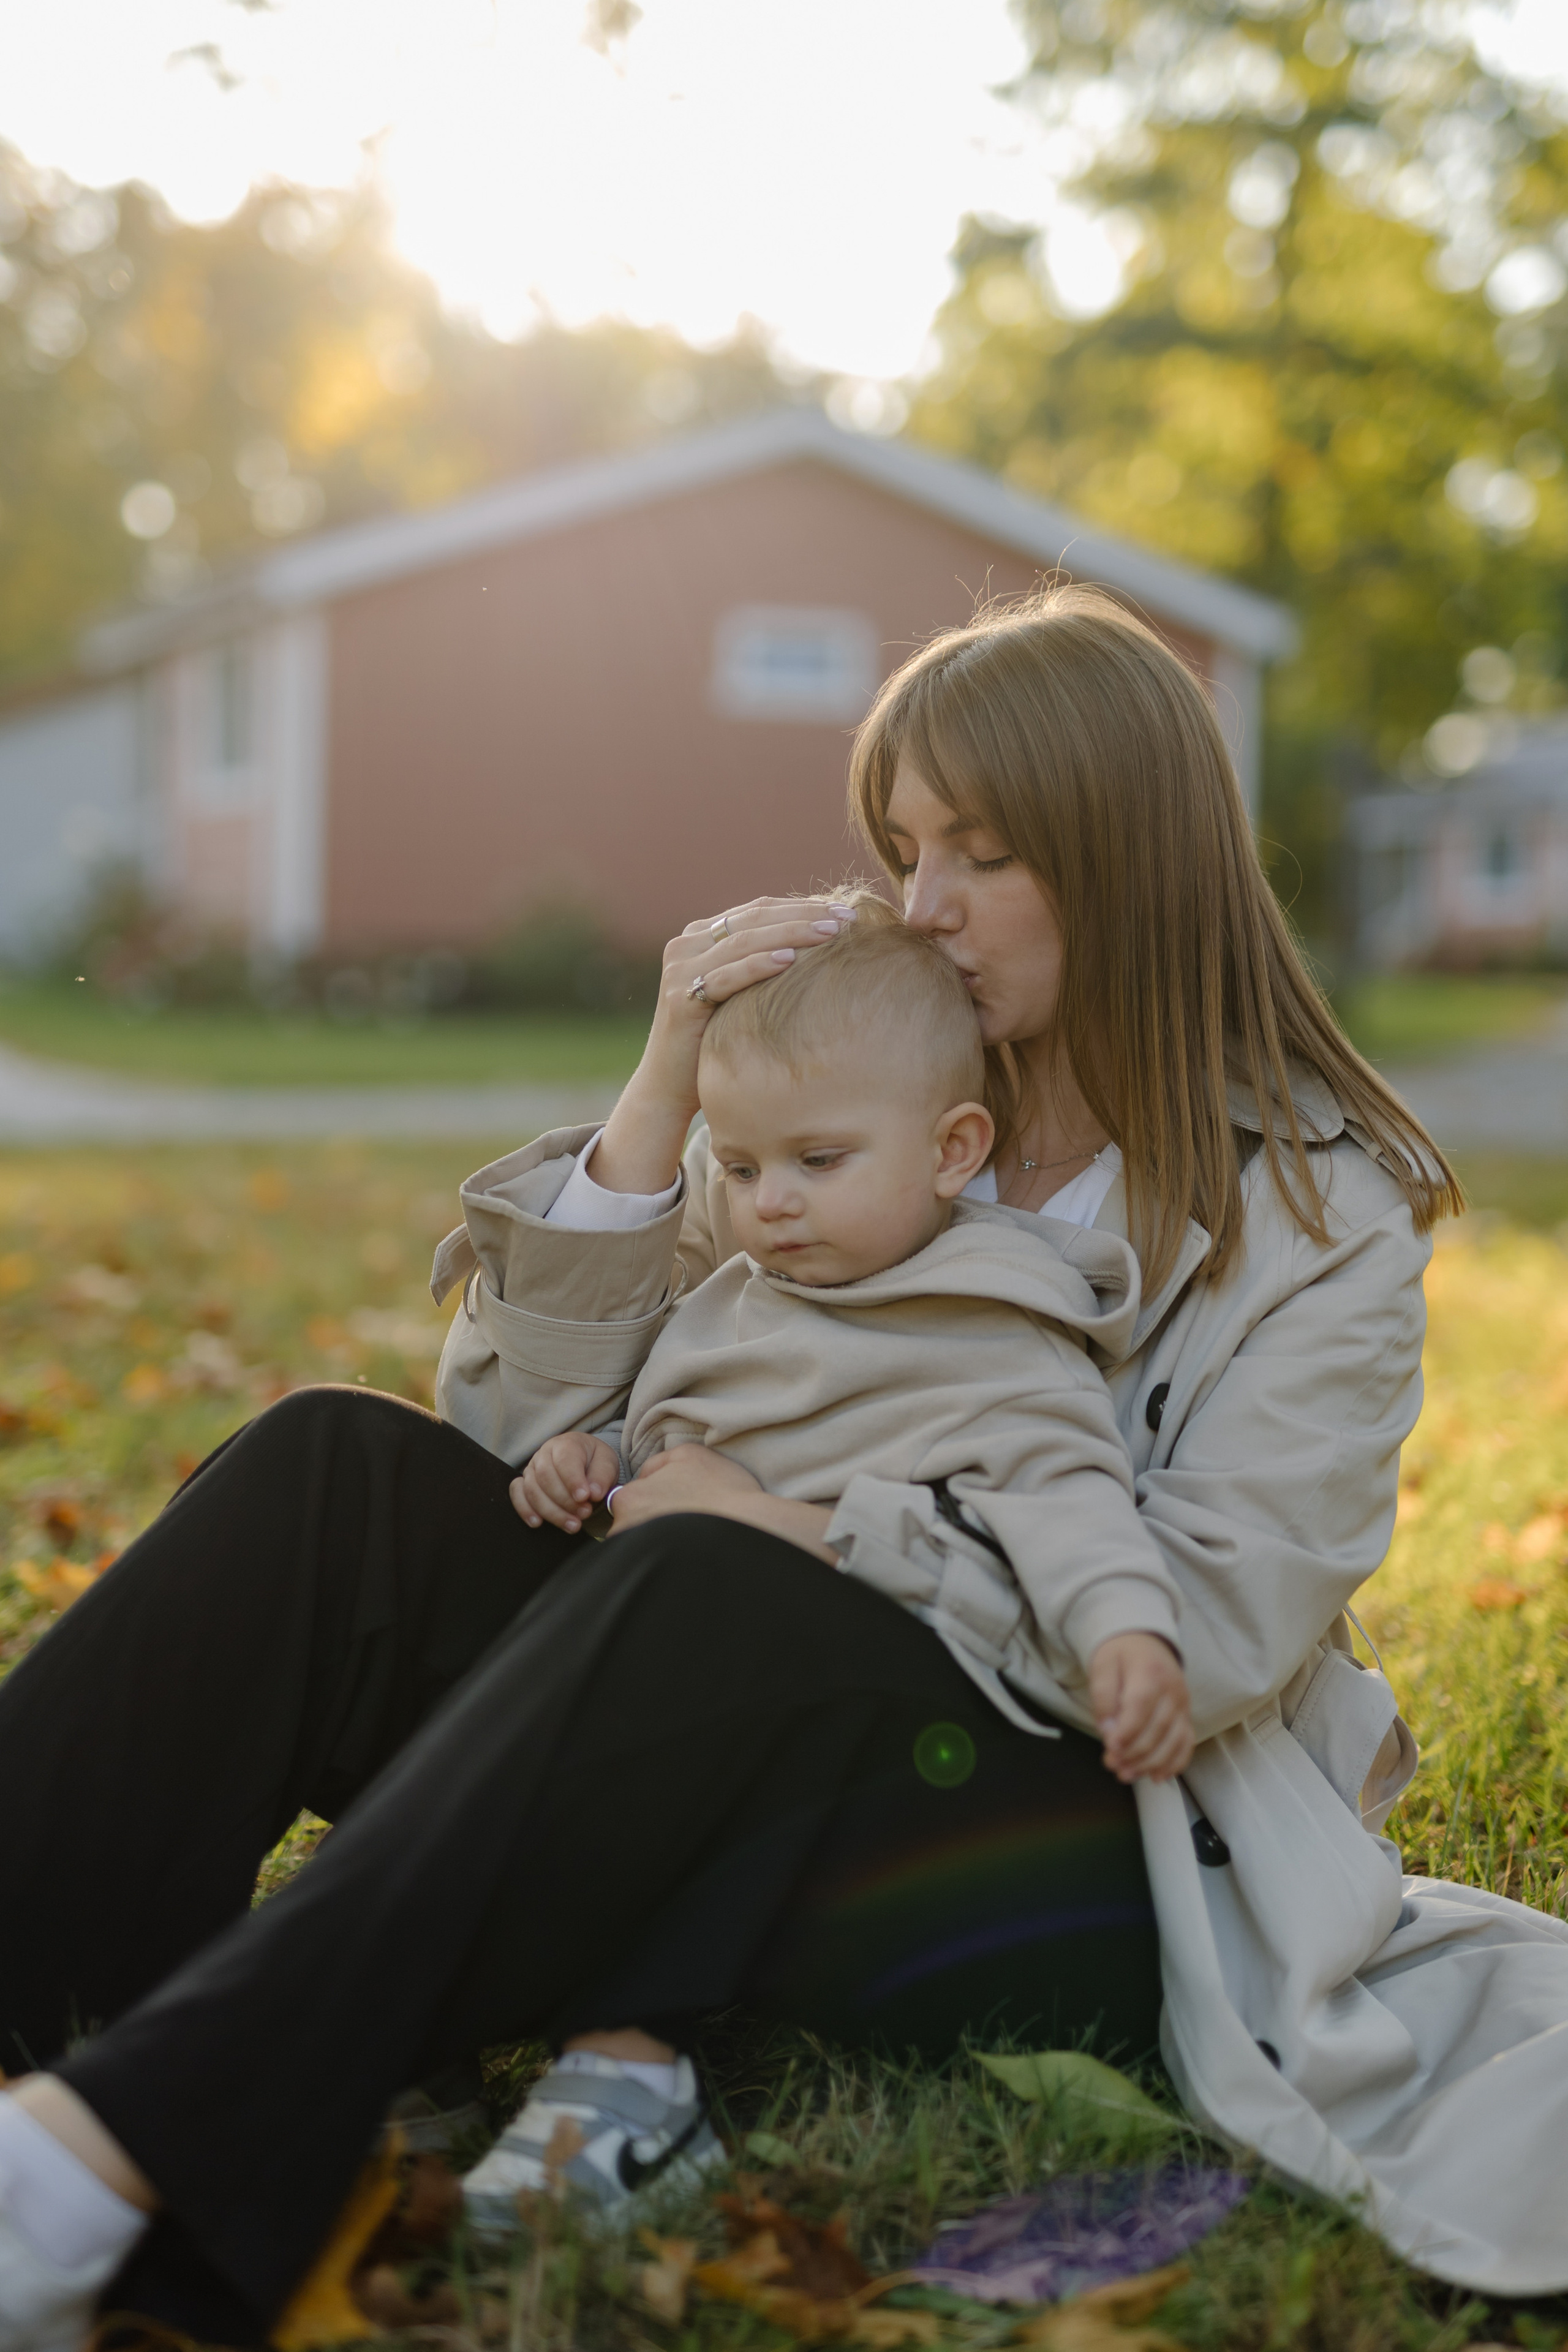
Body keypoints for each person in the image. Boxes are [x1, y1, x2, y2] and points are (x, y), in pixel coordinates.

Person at [0, 585, 1564, 2352]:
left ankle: (90, 2174)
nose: (924, 904)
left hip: (1063, 1846)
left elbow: (1207, 1634)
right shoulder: (866, 1078)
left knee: (713, 1575)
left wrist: (809, 1529)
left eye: (980, 855)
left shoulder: (1319, 1207)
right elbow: (511, 1441)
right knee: (331, 1475)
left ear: (1123, 855)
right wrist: (663, 1096)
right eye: (905, 850)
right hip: (693, 1715)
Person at [456, 902, 1194, 2219]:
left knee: (695, 1615)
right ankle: (426, 2005)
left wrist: (1126, 1631)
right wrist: (592, 1466)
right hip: (653, 1689)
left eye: (815, 1159)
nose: (771, 1202)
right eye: (736, 1170)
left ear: (954, 1150)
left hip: (870, 1747)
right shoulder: (737, 1299)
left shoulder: (992, 1329)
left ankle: (628, 2061)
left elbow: (1071, 1507)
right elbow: (656, 1439)